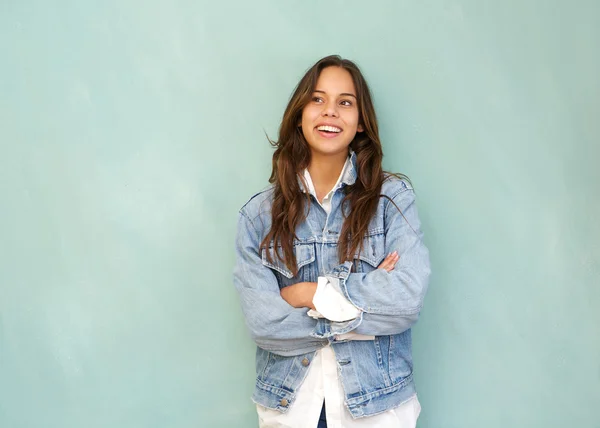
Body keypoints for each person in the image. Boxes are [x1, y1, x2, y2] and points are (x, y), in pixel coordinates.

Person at [233, 55, 431, 427]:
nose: (330, 112)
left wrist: (306, 293)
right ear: (299, 114)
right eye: (318, 99)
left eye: (345, 102)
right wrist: (359, 312)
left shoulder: (392, 200)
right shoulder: (257, 216)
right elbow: (264, 324)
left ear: (360, 122)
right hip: (292, 410)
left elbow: (406, 299)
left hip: (379, 409)